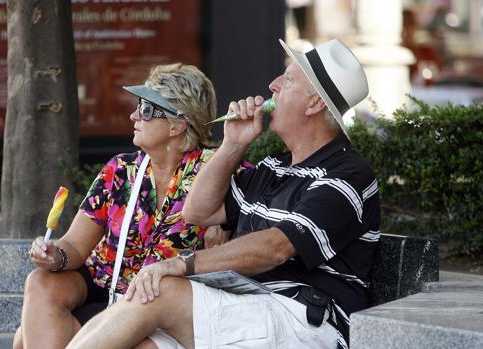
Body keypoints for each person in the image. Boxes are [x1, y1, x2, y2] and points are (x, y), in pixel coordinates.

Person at [66, 38, 381, 349]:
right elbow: (198, 211)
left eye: (287, 79)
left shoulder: (346, 175)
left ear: (314, 104)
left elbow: (276, 247)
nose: (272, 84)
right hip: (248, 307)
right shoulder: (273, 167)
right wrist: (233, 143)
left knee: (159, 289)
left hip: (304, 321)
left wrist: (181, 263)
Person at [13, 63, 222, 349]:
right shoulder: (120, 170)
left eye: (147, 110)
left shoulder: (216, 171)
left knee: (27, 338)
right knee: (41, 281)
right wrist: (55, 255)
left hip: (157, 306)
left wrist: (223, 234)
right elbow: (74, 246)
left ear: (177, 124)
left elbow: (244, 234)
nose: (134, 115)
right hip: (101, 289)